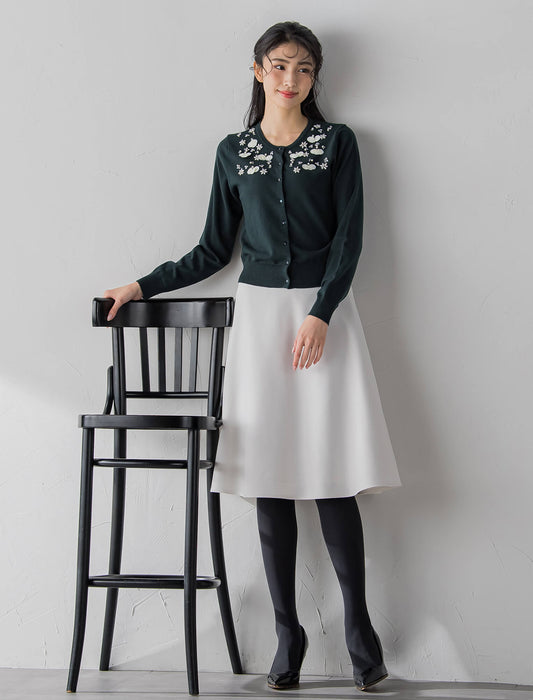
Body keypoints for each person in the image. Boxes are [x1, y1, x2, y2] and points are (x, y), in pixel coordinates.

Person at [104, 20, 401, 692]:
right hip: (261, 320)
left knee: (332, 473)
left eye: (303, 68)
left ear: (314, 77)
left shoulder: (337, 143)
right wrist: (140, 286)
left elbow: (350, 239)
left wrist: (321, 312)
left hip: (324, 320)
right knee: (268, 474)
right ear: (258, 70)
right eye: (279, 66)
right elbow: (213, 250)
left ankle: (360, 632)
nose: (291, 79)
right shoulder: (233, 153)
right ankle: (287, 635)